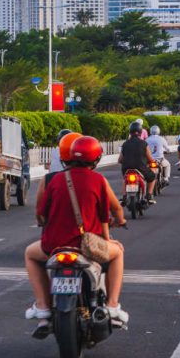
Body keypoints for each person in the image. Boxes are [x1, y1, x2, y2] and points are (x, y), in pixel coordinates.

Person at [24, 136, 128, 336]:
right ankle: (113, 306)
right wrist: (109, 237)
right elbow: (105, 216)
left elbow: (41, 213)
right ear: (96, 158)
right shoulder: (98, 180)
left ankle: (43, 306)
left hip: (54, 245)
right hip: (87, 246)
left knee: (30, 254)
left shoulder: (55, 179)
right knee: (118, 253)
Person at [118, 121, 157, 205]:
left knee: (125, 179)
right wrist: (152, 162)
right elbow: (150, 159)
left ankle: (124, 197)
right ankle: (149, 196)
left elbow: (120, 160)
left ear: (130, 131)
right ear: (140, 132)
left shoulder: (125, 144)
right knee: (152, 177)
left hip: (127, 169)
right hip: (141, 169)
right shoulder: (144, 143)